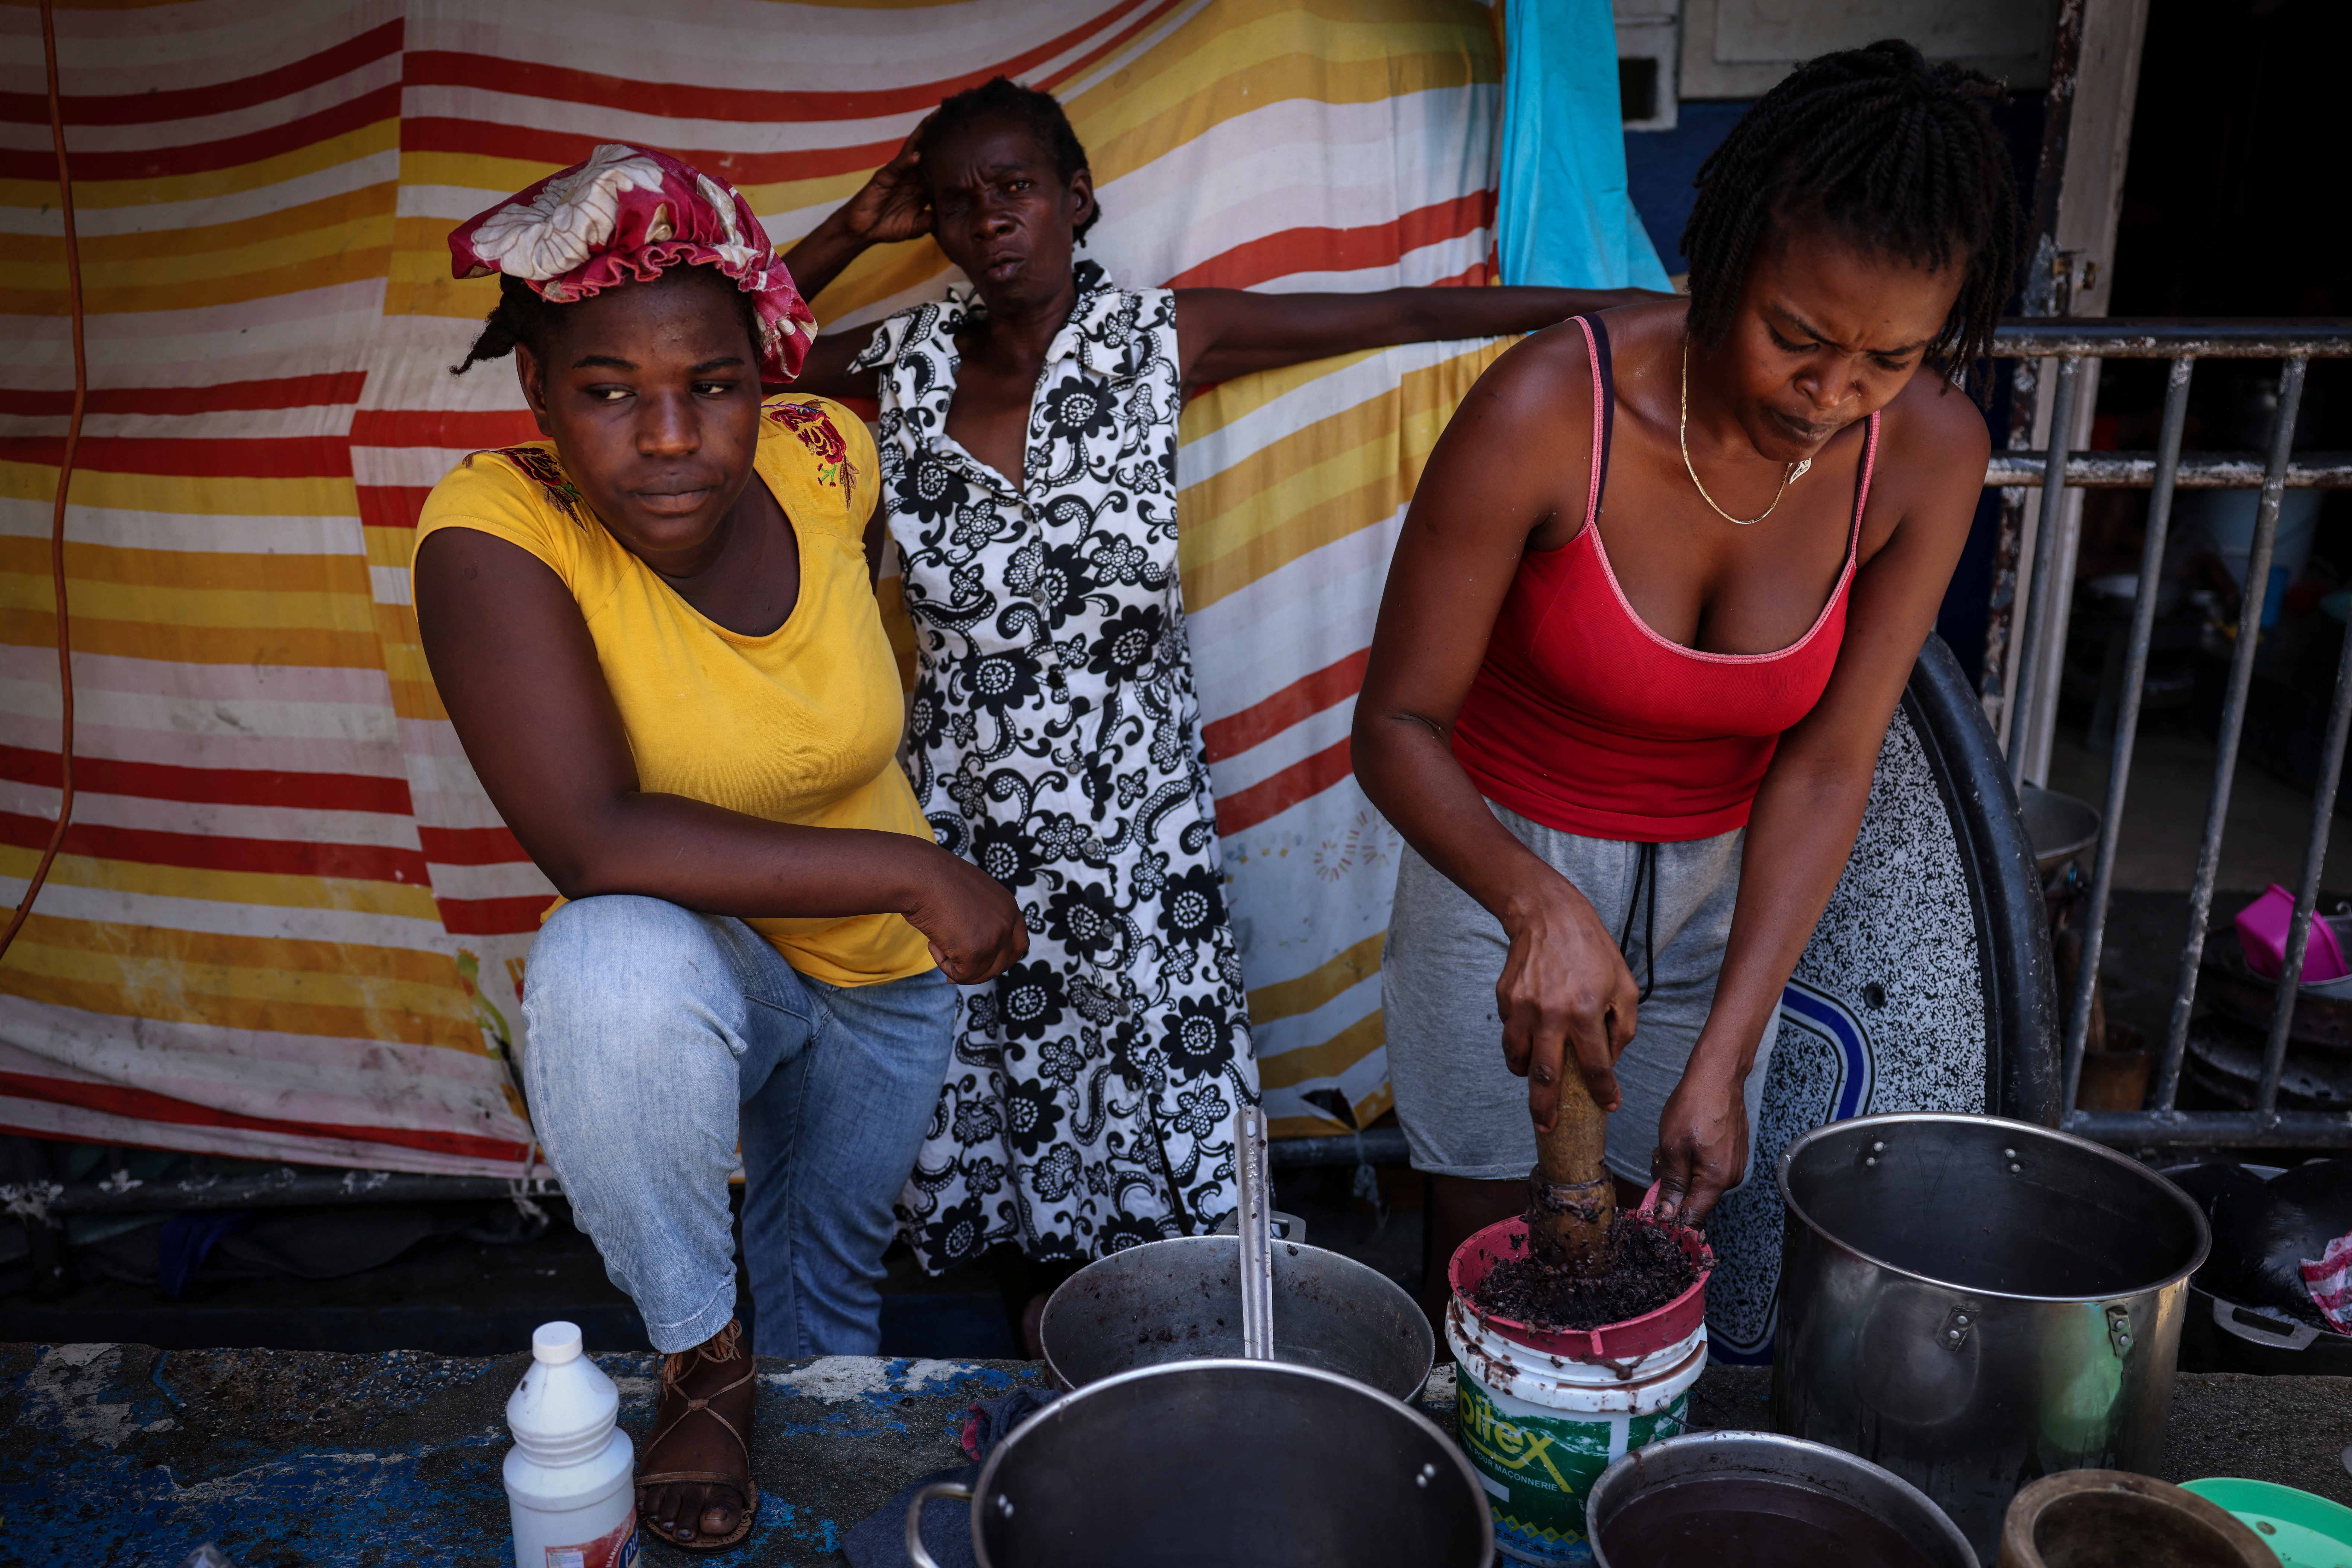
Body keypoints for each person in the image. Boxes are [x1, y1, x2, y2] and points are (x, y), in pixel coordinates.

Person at [779, 78, 1651, 1319]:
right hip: (970, 813)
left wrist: (1632, 315)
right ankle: (1047, 1307)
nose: (991, 222)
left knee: (1156, 1080)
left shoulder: (1157, 340)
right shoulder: (904, 365)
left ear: (1076, 199)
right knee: (1007, 1071)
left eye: (1016, 187)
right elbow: (729, 359)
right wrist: (855, 231)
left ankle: (1155, 1310)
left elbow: (1403, 311)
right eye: (957, 204)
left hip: (1140, 816)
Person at [1350, 41, 2022, 1328]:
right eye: (1797, 338)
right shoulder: (1551, 406)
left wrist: (1729, 1041)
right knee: (1494, 1249)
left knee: (1657, 1264)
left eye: (1889, 359)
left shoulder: (1932, 453)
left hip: (1727, 894)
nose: (1832, 399)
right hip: (1493, 861)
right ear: (1722, 254)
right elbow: (1395, 726)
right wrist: (1534, 903)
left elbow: (1830, 763)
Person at [413, 145, 1026, 1551]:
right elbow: (592, 835)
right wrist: (915, 869)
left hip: (884, 981)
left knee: (833, 1303)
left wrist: (812, 270)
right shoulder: (498, 524)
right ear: (538, 396)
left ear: (764, 382)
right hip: (726, 962)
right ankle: (701, 1356)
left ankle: (825, 1456)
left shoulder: (824, 457)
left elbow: (712, 347)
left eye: (715, 389)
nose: (670, 436)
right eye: (606, 394)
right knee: (608, 960)